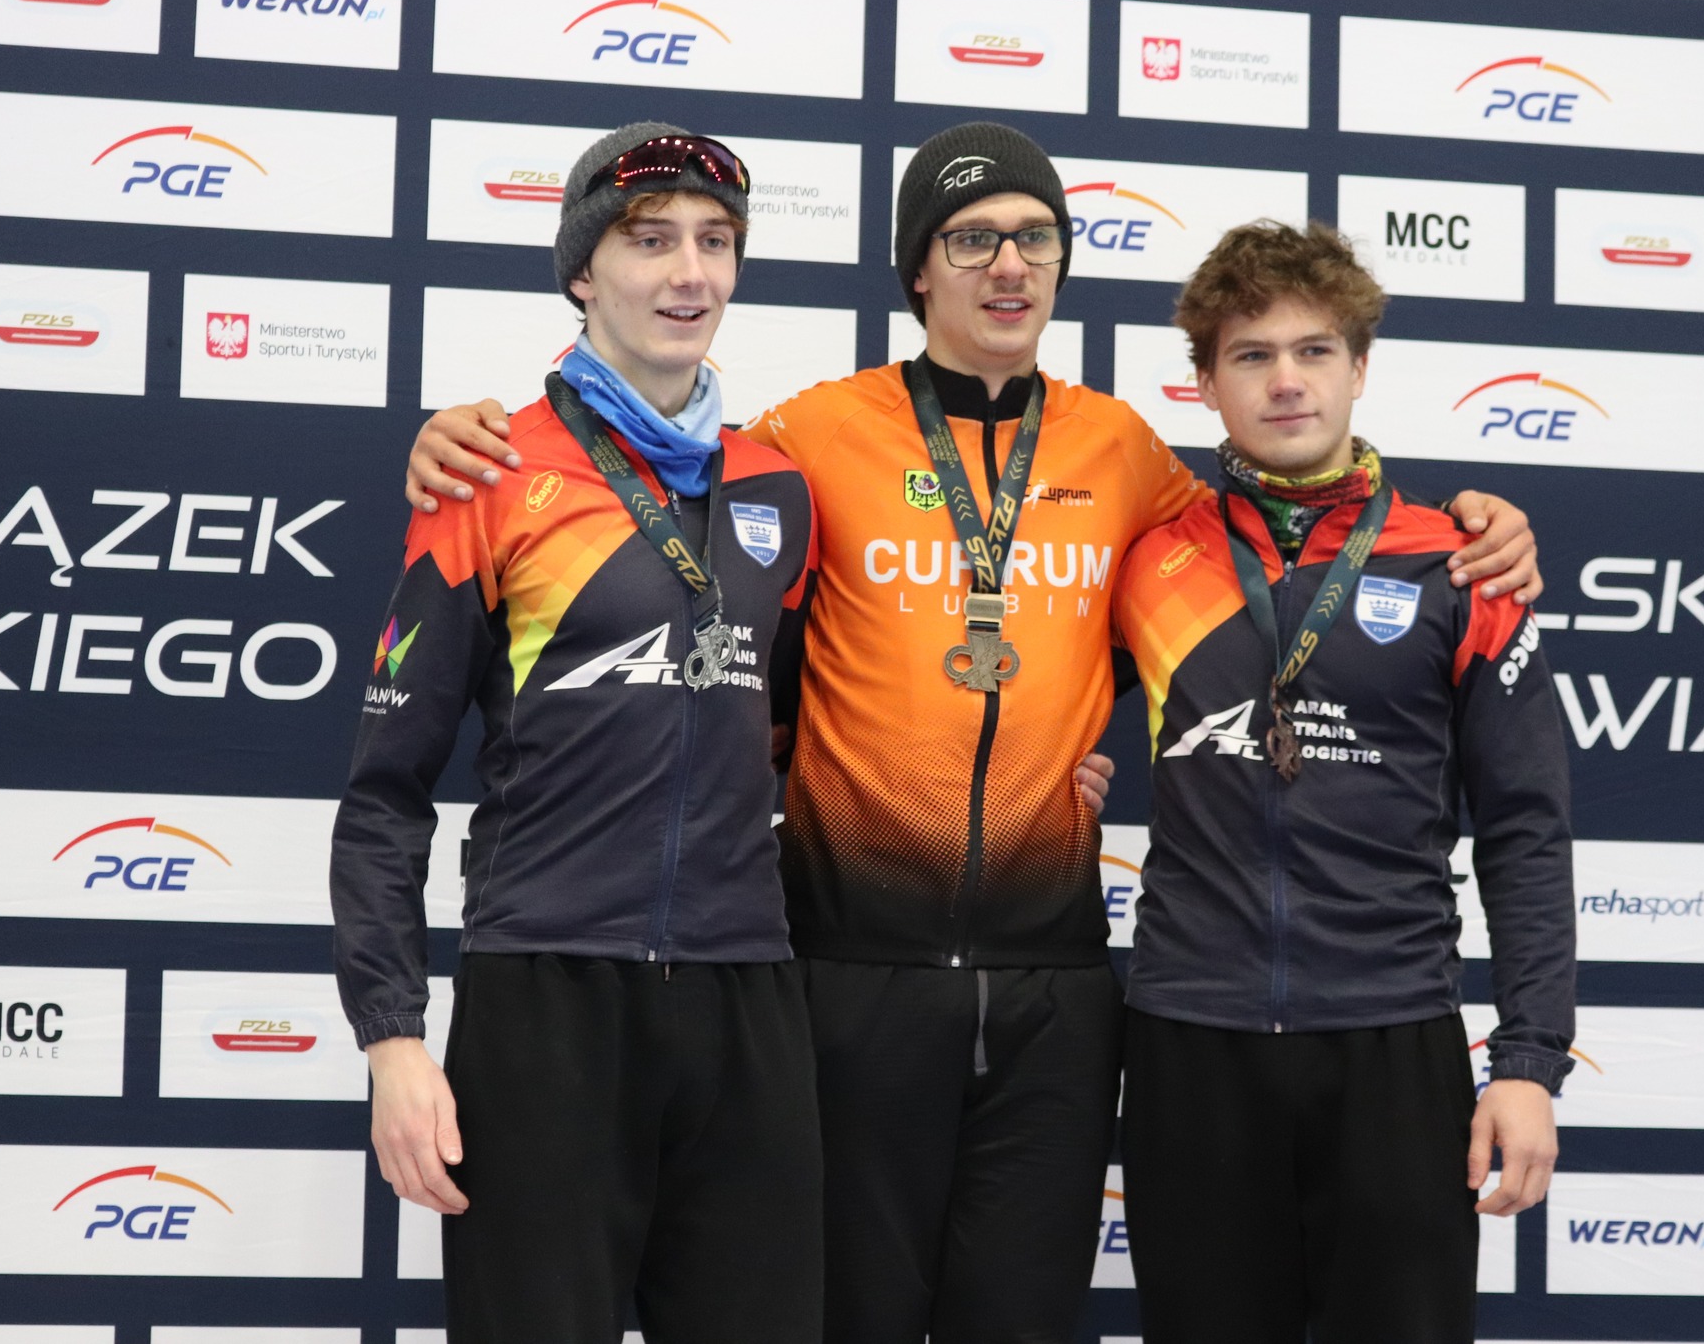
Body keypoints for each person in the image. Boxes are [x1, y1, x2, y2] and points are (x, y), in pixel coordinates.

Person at [399, 123, 1543, 1343]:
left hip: (1055, 988)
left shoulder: (1125, 455)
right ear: (916, 269)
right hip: (847, 975)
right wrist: (459, 438)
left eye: (1035, 239)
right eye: (971, 240)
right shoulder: (806, 440)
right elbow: (660, 484)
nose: (1008, 265)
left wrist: (1470, 520)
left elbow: (1282, 542)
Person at [329, 123, 821, 1344]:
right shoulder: (487, 474)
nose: (688, 275)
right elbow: (385, 793)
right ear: (581, 272)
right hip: (546, 1000)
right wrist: (392, 1041)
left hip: (745, 1002)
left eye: (714, 242)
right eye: (649, 241)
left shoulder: (779, 489)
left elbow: (800, 728)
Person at [1111, 219, 1576, 1344]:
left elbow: (1524, 826)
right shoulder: (1146, 557)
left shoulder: (1458, 564)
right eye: (1251, 354)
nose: (1286, 381)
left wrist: (1528, 1062)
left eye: (1314, 350)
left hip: (1392, 1040)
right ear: (1204, 385)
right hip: (1191, 1039)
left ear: (1359, 367)